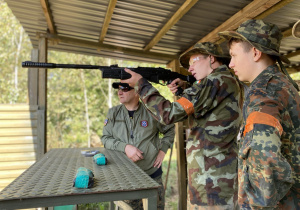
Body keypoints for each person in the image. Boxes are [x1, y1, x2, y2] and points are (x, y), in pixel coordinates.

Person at [123, 42, 243, 209]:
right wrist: (182, 91)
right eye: (188, 65)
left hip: (211, 180)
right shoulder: (223, 81)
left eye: (194, 61)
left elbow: (167, 114)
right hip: (215, 175)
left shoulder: (214, 81)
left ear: (211, 57)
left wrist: (141, 85)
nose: (190, 68)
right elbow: (204, 115)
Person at [219, 19, 300, 209]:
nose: (230, 64)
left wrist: (255, 205)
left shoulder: (263, 92)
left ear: (255, 53)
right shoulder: (284, 85)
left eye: (233, 55)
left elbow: (264, 156)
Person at [101, 82, 175, 210]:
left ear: (137, 92)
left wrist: (163, 150)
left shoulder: (152, 112)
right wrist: (125, 147)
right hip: (125, 176)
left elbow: (169, 130)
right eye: (118, 89)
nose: (119, 92)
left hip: (151, 175)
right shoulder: (113, 113)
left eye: (124, 89)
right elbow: (106, 139)